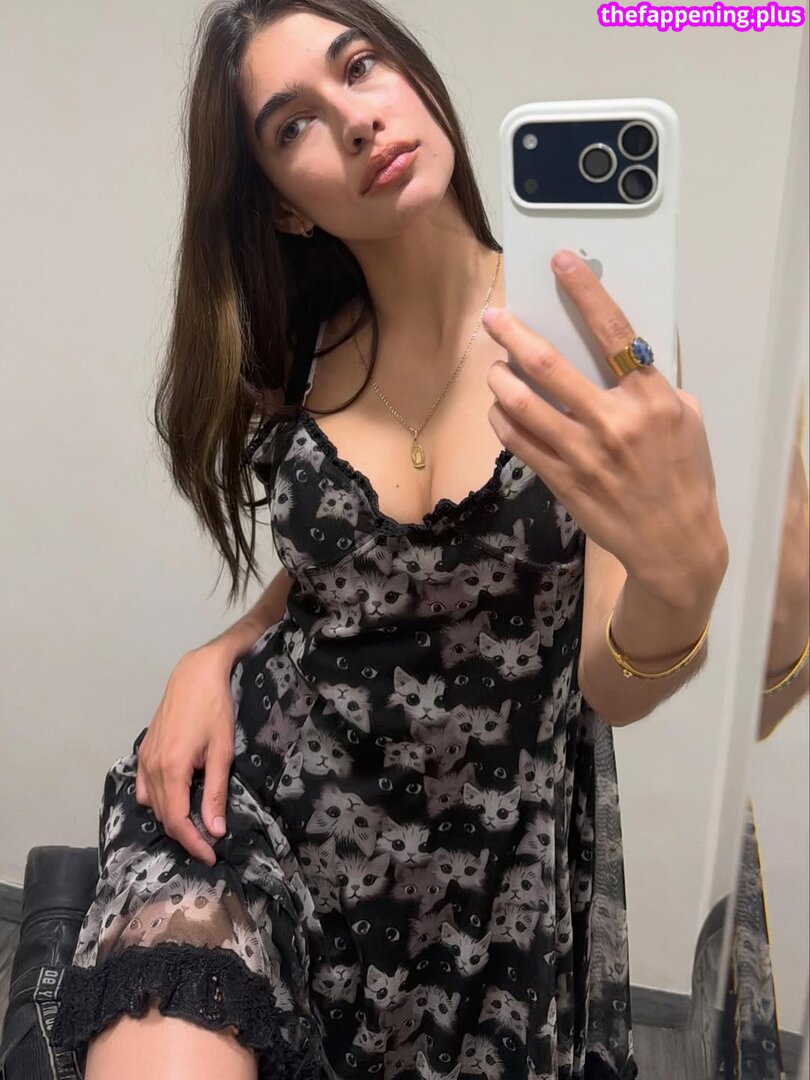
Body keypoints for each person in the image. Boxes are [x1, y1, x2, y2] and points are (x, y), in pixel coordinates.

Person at [46, 1, 742, 1078]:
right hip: (264, 808)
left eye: (361, 66)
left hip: (487, 872)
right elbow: (346, 574)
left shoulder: (594, 342)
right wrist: (216, 653)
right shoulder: (298, 348)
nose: (356, 120)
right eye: (294, 124)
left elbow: (612, 680)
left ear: (413, 76)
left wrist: (682, 582)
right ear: (284, 206)